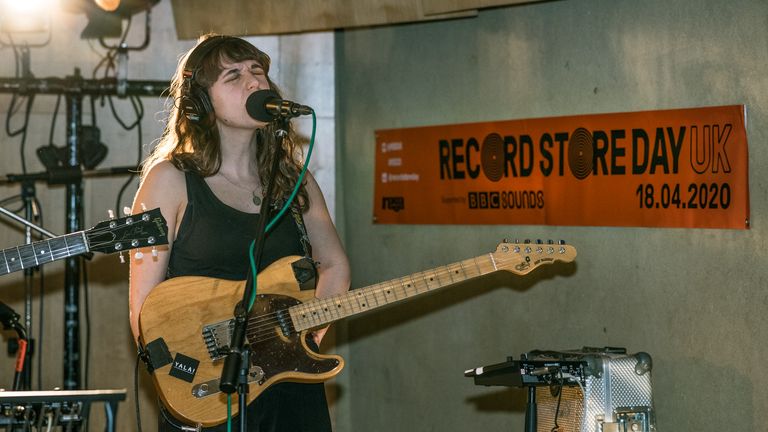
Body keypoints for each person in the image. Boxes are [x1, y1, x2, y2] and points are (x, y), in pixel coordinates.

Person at [128, 34, 351, 432]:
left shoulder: (294, 181)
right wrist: (188, 378)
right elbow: (145, 310)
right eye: (233, 75)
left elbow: (333, 264)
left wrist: (306, 340)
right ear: (200, 104)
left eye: (257, 71)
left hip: (290, 385)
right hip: (211, 390)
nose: (254, 82)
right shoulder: (169, 181)